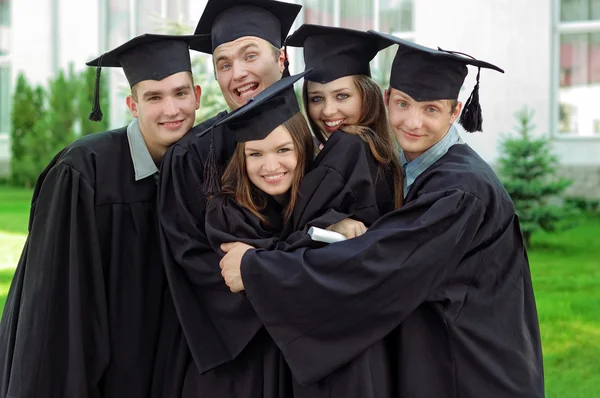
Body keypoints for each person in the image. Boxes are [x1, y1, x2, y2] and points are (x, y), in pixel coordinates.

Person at [219, 32, 545, 397]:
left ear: (455, 112)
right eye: (404, 104)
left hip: (472, 369)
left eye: (432, 109)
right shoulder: (412, 169)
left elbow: (380, 263)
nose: (413, 122)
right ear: (387, 98)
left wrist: (256, 269)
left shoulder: (459, 190)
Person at [0, 34, 203, 397]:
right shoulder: (84, 171)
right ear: (133, 105)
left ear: (197, 96)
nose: (171, 109)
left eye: (180, 93)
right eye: (154, 97)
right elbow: (55, 306)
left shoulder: (201, 171)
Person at [156, 0, 303, 390]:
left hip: (313, 351)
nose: (238, 73)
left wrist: (264, 270)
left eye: (250, 55)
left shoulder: (321, 142)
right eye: (223, 63)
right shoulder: (193, 155)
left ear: (283, 58)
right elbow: (191, 257)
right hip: (237, 357)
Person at [279, 24, 403, 248]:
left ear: (367, 95)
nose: (328, 111)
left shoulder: (349, 146)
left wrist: (330, 223)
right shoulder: (381, 150)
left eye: (342, 96)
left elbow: (297, 227)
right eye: (317, 98)